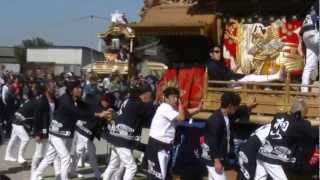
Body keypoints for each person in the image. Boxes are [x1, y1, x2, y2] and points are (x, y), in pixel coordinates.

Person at [31, 74, 108, 180]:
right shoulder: (66, 100)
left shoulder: (74, 99)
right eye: (77, 88)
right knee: (66, 157)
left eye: (80, 87)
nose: (80, 90)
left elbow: (87, 107)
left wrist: (101, 111)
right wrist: (98, 115)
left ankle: (35, 176)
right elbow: (78, 113)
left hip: (62, 133)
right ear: (71, 90)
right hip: (56, 133)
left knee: (49, 157)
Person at [102, 82, 156, 180]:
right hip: (122, 140)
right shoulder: (138, 104)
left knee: (114, 165)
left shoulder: (128, 100)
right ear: (144, 94)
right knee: (132, 167)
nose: (151, 96)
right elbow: (150, 114)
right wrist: (155, 103)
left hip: (115, 135)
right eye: (150, 93)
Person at [146, 87, 202, 180]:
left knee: (164, 175)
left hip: (161, 145)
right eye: (173, 97)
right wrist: (180, 103)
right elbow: (181, 117)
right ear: (166, 98)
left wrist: (198, 109)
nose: (175, 99)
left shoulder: (171, 108)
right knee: (158, 175)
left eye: (177, 97)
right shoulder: (165, 107)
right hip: (158, 145)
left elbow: (185, 113)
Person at [255, 99, 318, 180]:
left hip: (262, 153)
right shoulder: (299, 123)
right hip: (273, 158)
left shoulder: (278, 116)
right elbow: (313, 134)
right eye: (304, 114)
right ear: (300, 113)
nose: (304, 117)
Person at [201, 92, 256, 180]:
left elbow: (239, 110)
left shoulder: (227, 115)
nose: (237, 108)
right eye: (236, 106)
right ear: (230, 106)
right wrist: (217, 161)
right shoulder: (215, 120)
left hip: (217, 157)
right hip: (212, 158)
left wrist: (248, 106)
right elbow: (213, 142)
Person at [30, 80, 61, 180]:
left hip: (52, 129)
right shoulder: (42, 100)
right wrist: (37, 133)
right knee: (38, 154)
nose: (54, 89)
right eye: (53, 87)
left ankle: (58, 174)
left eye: (55, 87)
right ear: (47, 88)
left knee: (54, 153)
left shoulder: (55, 99)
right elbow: (37, 117)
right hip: (42, 130)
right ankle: (33, 174)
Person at [207, 46, 284, 83]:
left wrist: (239, 65)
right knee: (251, 78)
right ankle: (276, 76)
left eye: (220, 52)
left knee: (253, 75)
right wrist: (230, 83)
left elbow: (229, 72)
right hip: (230, 83)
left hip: (234, 79)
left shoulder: (219, 63)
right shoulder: (212, 65)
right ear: (211, 54)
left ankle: (276, 77)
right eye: (216, 52)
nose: (219, 54)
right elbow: (218, 81)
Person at [4, 86, 37, 163]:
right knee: (26, 139)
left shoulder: (26, 101)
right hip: (18, 122)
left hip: (15, 120)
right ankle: (20, 157)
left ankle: (7, 155)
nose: (23, 95)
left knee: (13, 139)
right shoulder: (32, 102)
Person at [300, 3, 319, 92]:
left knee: (309, 64)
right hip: (314, 31)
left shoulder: (313, 6)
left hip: (306, 34)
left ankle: (304, 89)